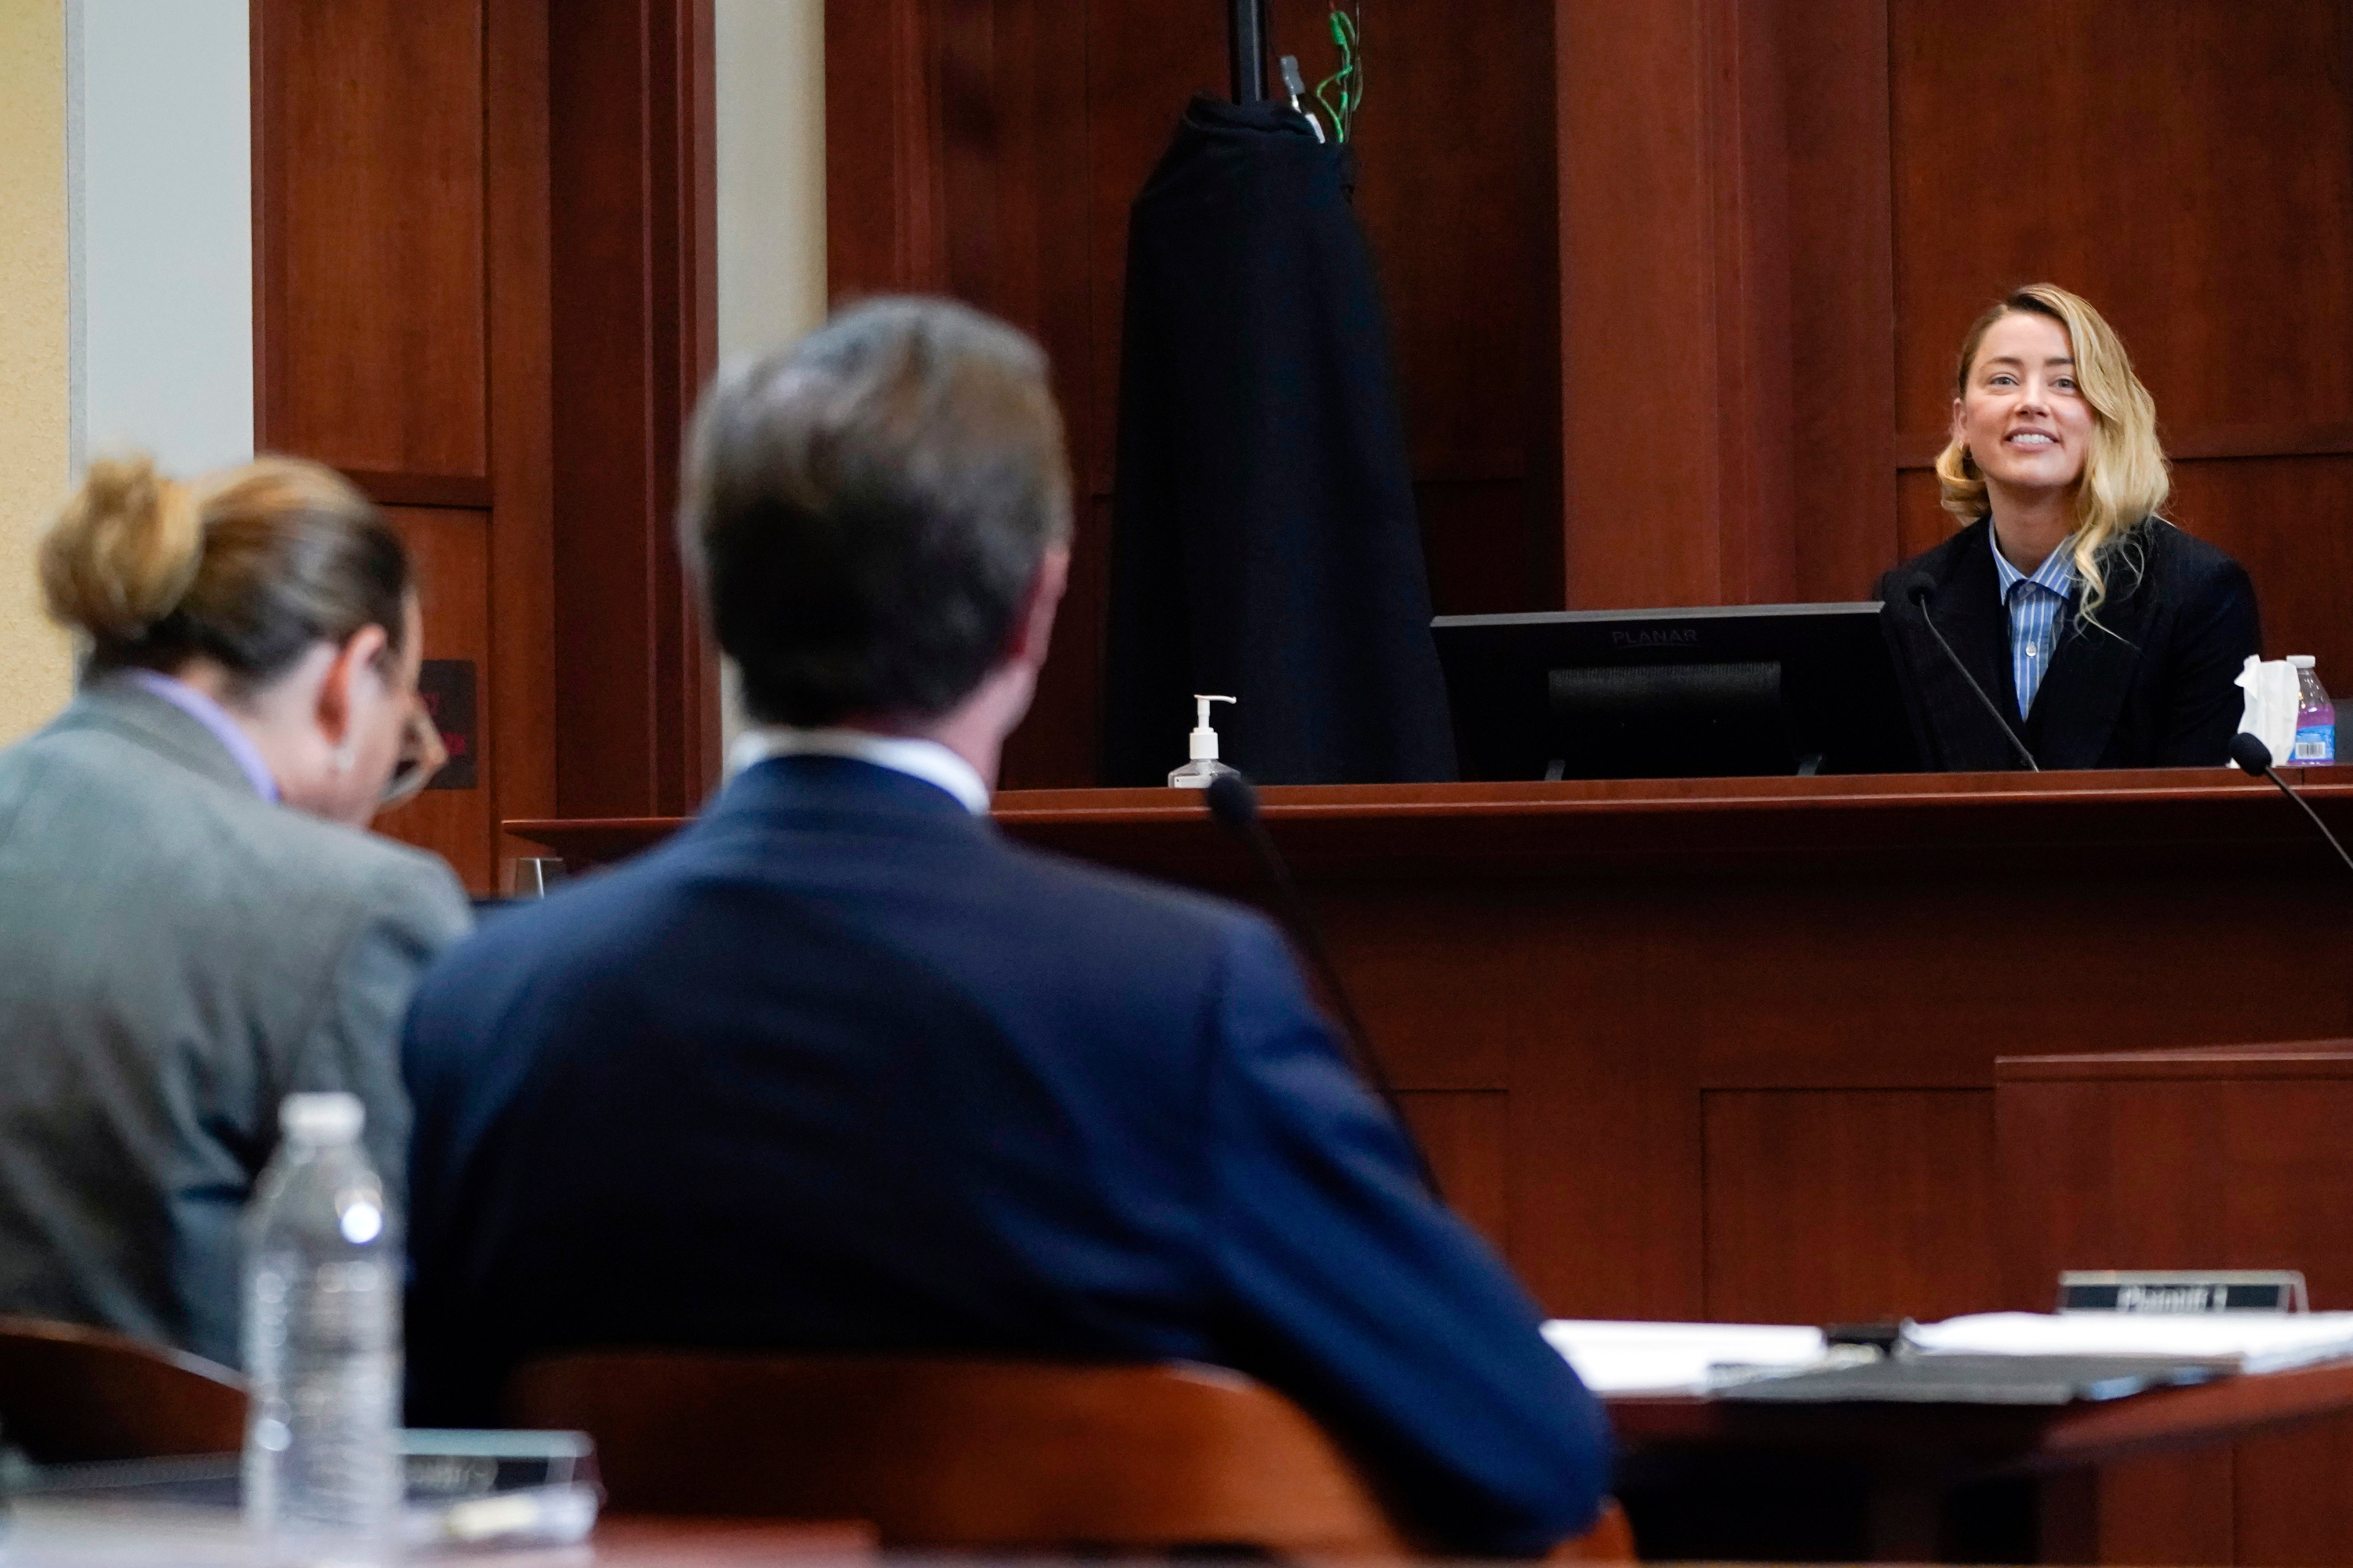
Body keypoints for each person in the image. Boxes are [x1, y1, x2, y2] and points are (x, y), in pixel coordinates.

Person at [401, 299, 1610, 1555]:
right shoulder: (1174, 1003)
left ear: (710, 595)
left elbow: (403, 1466)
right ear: (1037, 607)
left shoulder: (482, 1005)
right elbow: (1531, 1447)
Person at [0, 455, 471, 1369]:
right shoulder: (354, 907)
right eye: (404, 742)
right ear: (353, 677)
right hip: (196, 1501)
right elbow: (414, 1336)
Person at [1877, 284, 2260, 769]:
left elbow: (2191, 823)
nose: (2031, 402)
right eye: (2002, 381)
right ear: (1962, 424)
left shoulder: (2198, 593)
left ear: (2105, 417)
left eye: (2065, 383)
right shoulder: (1914, 603)